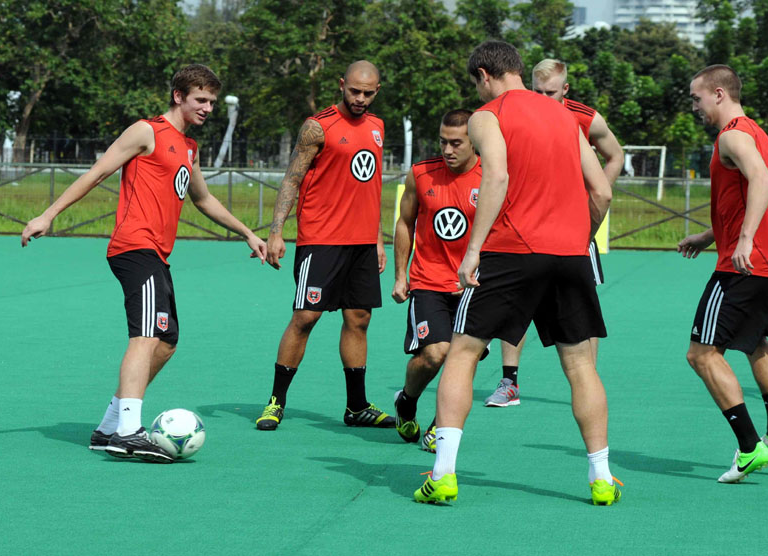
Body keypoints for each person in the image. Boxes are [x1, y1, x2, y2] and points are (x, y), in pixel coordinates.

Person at [20, 64, 268, 462]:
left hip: (157, 254)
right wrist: (48, 214)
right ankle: (130, 432)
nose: (207, 108)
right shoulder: (146, 132)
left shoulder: (190, 148)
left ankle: (109, 427)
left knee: (166, 342)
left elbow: (203, 199)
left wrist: (247, 232)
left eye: (212, 102)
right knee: (146, 336)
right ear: (179, 96)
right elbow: (98, 172)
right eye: (200, 100)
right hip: (135, 247)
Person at [413, 40, 620, 506]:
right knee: (582, 365)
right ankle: (602, 479)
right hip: (570, 255)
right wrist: (577, 240)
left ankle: (443, 474)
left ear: (485, 75)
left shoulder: (488, 116)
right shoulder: (567, 118)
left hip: (511, 251)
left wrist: (473, 251)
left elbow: (498, 177)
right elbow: (602, 192)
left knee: (463, 353)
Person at [255, 61, 394, 431]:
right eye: (354, 91)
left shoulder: (379, 127)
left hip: (362, 243)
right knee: (305, 317)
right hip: (321, 240)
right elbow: (292, 179)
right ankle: (275, 402)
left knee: (359, 319)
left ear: (377, 90)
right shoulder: (318, 126)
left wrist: (378, 239)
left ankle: (357, 406)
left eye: (368, 93)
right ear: (342, 86)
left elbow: (372, 187)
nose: (361, 98)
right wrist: (275, 232)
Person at [482, 58, 625, 408]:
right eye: (537, 90)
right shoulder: (516, 112)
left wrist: (591, 207)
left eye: (551, 92)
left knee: (583, 312)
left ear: (566, 89)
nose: (543, 97)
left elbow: (615, 155)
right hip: (525, 224)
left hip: (573, 230)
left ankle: (587, 381)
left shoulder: (583, 117)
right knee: (517, 307)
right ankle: (509, 381)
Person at [678, 64, 768, 483]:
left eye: (697, 98)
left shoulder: (731, 134)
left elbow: (762, 180)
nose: (695, 106)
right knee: (755, 341)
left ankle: (749, 448)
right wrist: (711, 235)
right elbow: (747, 193)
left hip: (746, 263)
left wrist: (744, 239)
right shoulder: (755, 132)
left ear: (718, 94)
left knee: (702, 353)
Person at [392, 109, 485, 452]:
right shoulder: (420, 174)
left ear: (474, 142)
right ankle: (407, 400)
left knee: (464, 359)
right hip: (428, 280)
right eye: (443, 141)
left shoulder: (491, 176)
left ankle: (439, 426)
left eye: (456, 143)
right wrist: (401, 275)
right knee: (434, 355)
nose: (447, 149)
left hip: (474, 286)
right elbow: (405, 222)